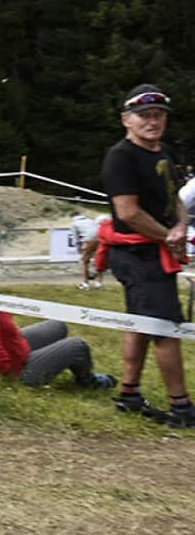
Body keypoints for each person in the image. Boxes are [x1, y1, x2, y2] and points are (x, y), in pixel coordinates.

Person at [100, 85, 193, 428]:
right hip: (135, 253)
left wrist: (181, 224)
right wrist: (168, 236)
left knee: (139, 322)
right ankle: (181, 408)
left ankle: (129, 394)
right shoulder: (120, 157)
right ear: (127, 119)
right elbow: (128, 212)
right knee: (165, 327)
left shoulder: (163, 152)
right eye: (144, 116)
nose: (152, 122)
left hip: (155, 248)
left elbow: (175, 197)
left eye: (158, 115)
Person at [0, 261, 115, 388]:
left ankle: (47, 356)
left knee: (57, 326)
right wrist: (10, 376)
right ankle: (87, 380)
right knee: (77, 346)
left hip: (14, 348)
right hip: (16, 371)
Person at [69, 211, 103, 290]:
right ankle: (99, 283)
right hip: (100, 239)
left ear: (72, 217)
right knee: (98, 261)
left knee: (84, 262)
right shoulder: (91, 220)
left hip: (89, 240)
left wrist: (79, 249)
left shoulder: (74, 224)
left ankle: (86, 283)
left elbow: (76, 239)